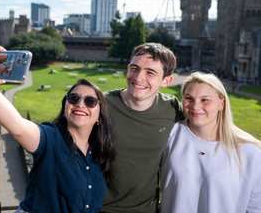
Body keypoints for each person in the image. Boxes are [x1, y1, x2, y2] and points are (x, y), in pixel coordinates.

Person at [0, 45, 115, 213]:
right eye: (74, 98)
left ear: (99, 115)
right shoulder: (51, 138)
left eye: (90, 101)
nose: (80, 104)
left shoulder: (100, 153)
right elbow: (18, 127)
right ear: (65, 106)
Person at [161, 72, 261, 213]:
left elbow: (256, 207)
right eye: (189, 98)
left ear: (221, 103)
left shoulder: (250, 152)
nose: (195, 106)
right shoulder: (170, 135)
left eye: (205, 100)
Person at [102, 43, 184, 213]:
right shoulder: (101, 105)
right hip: (100, 207)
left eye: (150, 73)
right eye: (134, 68)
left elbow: (208, 127)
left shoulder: (172, 108)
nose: (138, 78)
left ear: (167, 80)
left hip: (148, 209)